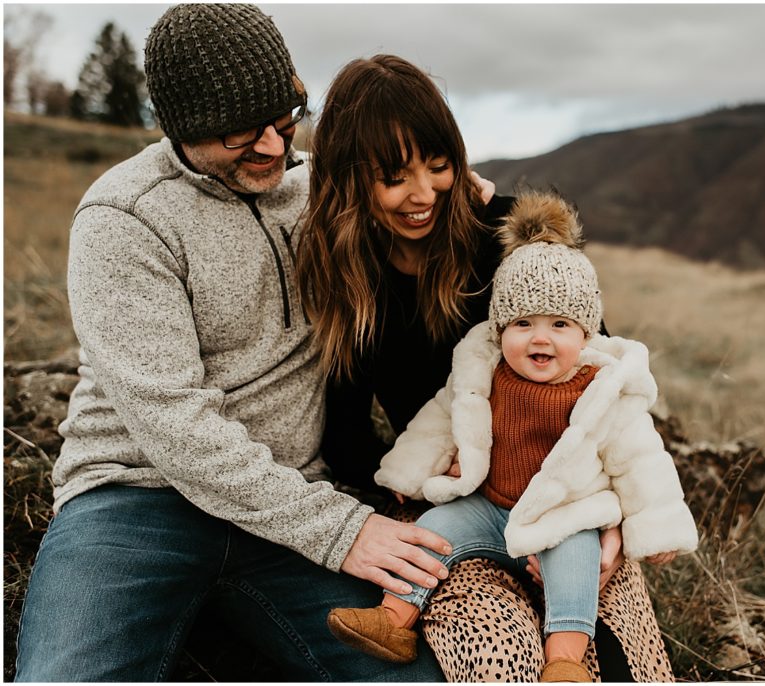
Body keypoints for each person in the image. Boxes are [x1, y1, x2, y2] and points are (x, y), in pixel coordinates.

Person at [14, 5, 447, 681]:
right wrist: (342, 531)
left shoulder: (318, 192)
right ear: (176, 129)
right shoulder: (124, 218)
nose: (274, 149)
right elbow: (174, 426)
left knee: (416, 675)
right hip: (135, 502)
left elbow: (422, 199)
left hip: (292, 501)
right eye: (240, 136)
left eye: (284, 121)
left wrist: (476, 208)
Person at [297, 53, 686, 682]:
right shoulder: (353, 281)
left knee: (607, 650)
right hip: (451, 506)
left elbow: (601, 375)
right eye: (395, 176)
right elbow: (344, 439)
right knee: (496, 653)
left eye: (438, 164)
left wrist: (615, 519)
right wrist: (412, 491)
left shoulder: (503, 235)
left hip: (571, 495)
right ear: (348, 180)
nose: (423, 194)